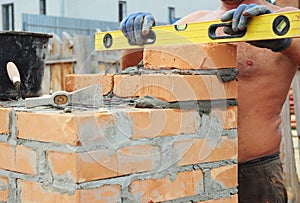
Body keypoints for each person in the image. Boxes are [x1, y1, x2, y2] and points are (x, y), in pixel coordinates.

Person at [120, 0, 300, 202]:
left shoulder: (284, 19)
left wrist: (284, 41)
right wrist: (133, 44)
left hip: (254, 172)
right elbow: (136, 79)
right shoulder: (193, 23)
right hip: (195, 169)